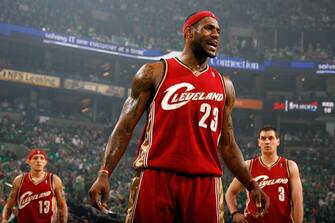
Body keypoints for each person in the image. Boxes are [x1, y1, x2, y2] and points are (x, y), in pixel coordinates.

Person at [89, 10, 269, 222]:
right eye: (209, 28)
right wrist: (104, 172)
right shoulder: (154, 72)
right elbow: (124, 127)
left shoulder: (225, 85)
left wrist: (251, 184)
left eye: (219, 31)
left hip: (205, 182)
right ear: (189, 32)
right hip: (157, 176)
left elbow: (228, 145)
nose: (216, 34)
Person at [225, 126, 303, 223]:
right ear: (259, 142)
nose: (267, 141)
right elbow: (230, 192)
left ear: (278, 141)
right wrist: (235, 213)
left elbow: (297, 200)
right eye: (263, 138)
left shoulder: (290, 166)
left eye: (271, 138)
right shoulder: (248, 165)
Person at [1, 148, 68, 223]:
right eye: (35, 158)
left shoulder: (54, 180)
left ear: (45, 162)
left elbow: (62, 206)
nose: (38, 160)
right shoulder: (19, 180)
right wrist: (4, 219)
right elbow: (9, 205)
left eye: (41, 158)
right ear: (29, 162)